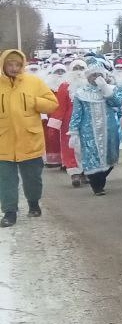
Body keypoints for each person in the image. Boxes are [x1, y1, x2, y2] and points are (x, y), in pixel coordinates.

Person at [1, 48, 58, 226]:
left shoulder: (34, 82)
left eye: (17, 64)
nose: (14, 68)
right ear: (3, 65)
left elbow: (52, 104)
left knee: (32, 178)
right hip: (3, 142)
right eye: (10, 64)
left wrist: (35, 102)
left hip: (29, 140)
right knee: (6, 180)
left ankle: (33, 204)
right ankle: (10, 212)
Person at [66, 60, 122, 195]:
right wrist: (73, 132)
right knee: (92, 158)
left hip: (109, 130)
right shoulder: (80, 93)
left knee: (110, 158)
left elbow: (117, 103)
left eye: (99, 75)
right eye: (93, 75)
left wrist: (105, 88)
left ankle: (101, 179)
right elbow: (77, 113)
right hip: (88, 132)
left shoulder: (110, 89)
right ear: (88, 77)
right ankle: (97, 186)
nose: (96, 78)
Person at [51, 58, 87, 184]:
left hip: (87, 120)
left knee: (86, 145)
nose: (78, 71)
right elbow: (60, 105)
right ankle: (74, 172)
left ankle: (86, 171)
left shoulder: (90, 84)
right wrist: (55, 123)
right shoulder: (64, 86)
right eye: (75, 68)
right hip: (69, 121)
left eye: (81, 68)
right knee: (70, 145)